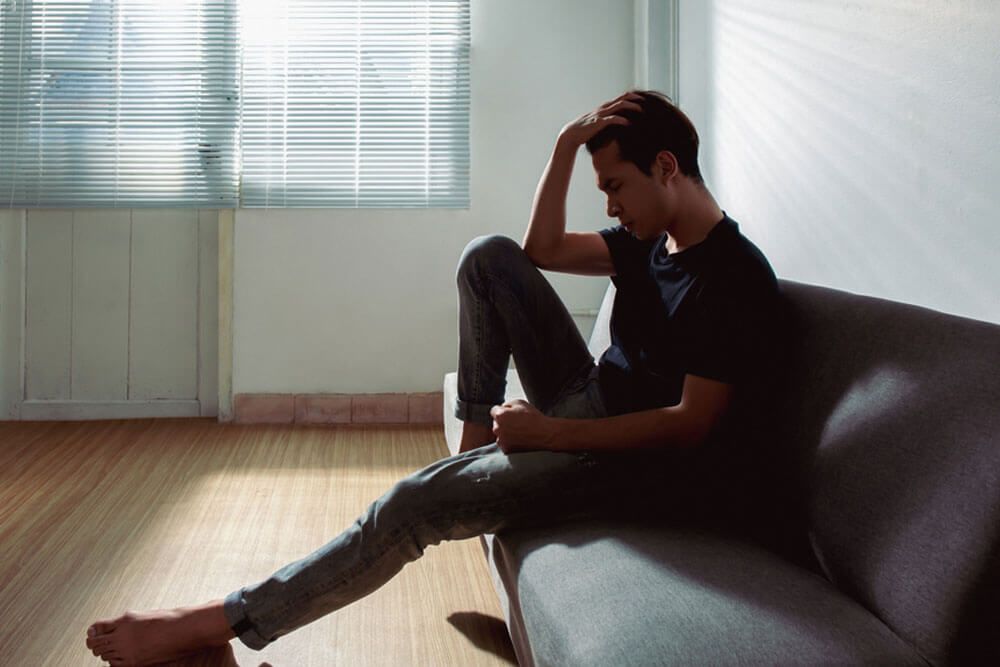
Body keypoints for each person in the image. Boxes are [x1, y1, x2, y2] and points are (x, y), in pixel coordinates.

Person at [85, 89, 783, 665]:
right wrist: (566, 146)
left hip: (623, 460)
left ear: (666, 167)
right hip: (591, 400)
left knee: (410, 505)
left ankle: (221, 620)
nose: (609, 205)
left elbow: (690, 425)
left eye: (615, 186)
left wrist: (552, 431)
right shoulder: (646, 241)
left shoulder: (733, 276)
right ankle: (474, 441)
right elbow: (537, 249)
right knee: (490, 256)